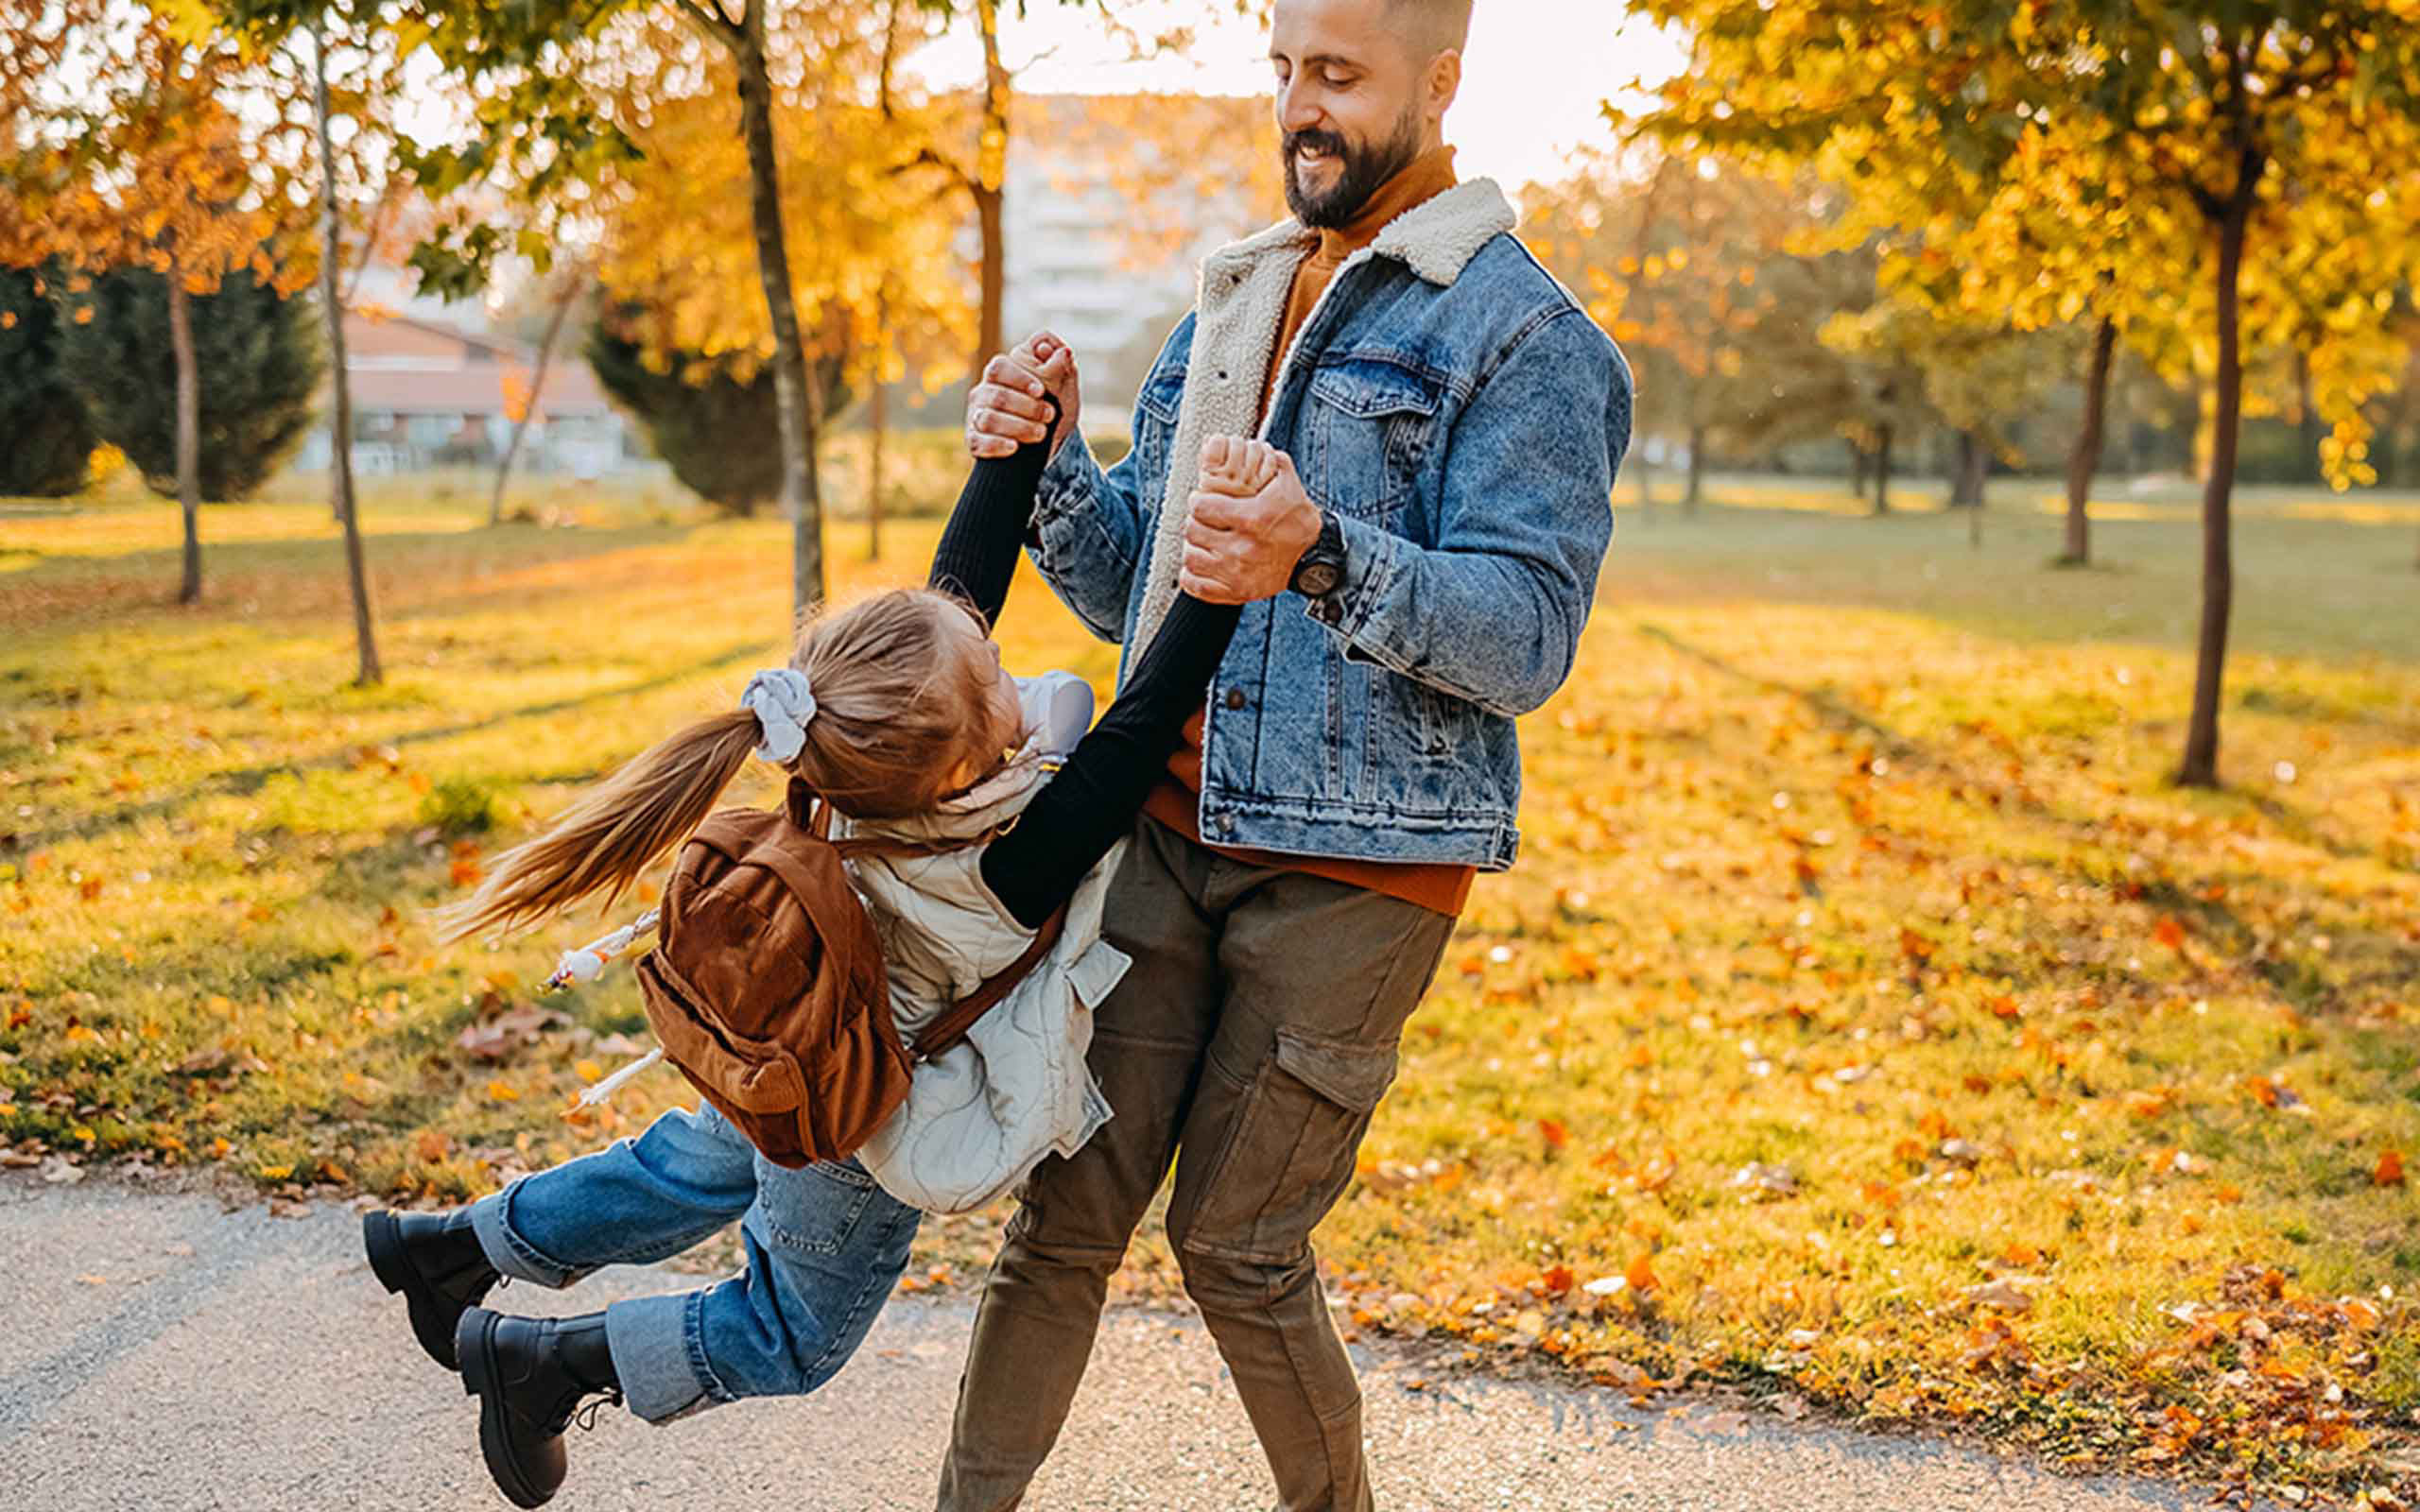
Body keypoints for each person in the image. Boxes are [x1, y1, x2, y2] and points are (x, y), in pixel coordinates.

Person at [941, 0, 1632, 1506]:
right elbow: (1145, 593)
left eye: (1337, 77)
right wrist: (1046, 464)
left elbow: (1524, 639)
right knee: (1062, 1224)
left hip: (1357, 875)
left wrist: (1322, 553)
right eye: (1282, 74)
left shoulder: (1528, 338)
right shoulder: (1234, 299)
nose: (1298, 109)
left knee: (1239, 1250)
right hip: (1164, 832)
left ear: (1440, 84)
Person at [360, 422, 1292, 1509]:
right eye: (991, 670)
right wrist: (1218, 580)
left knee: (696, 1167)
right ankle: (549, 1366)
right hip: (850, 1116)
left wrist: (1013, 457)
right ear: (958, 757)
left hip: (785, 1041)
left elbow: (935, 626)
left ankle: (452, 1248)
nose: (1000, 658)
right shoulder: (1003, 861)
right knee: (788, 1333)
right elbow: (1132, 731)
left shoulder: (848, 772)